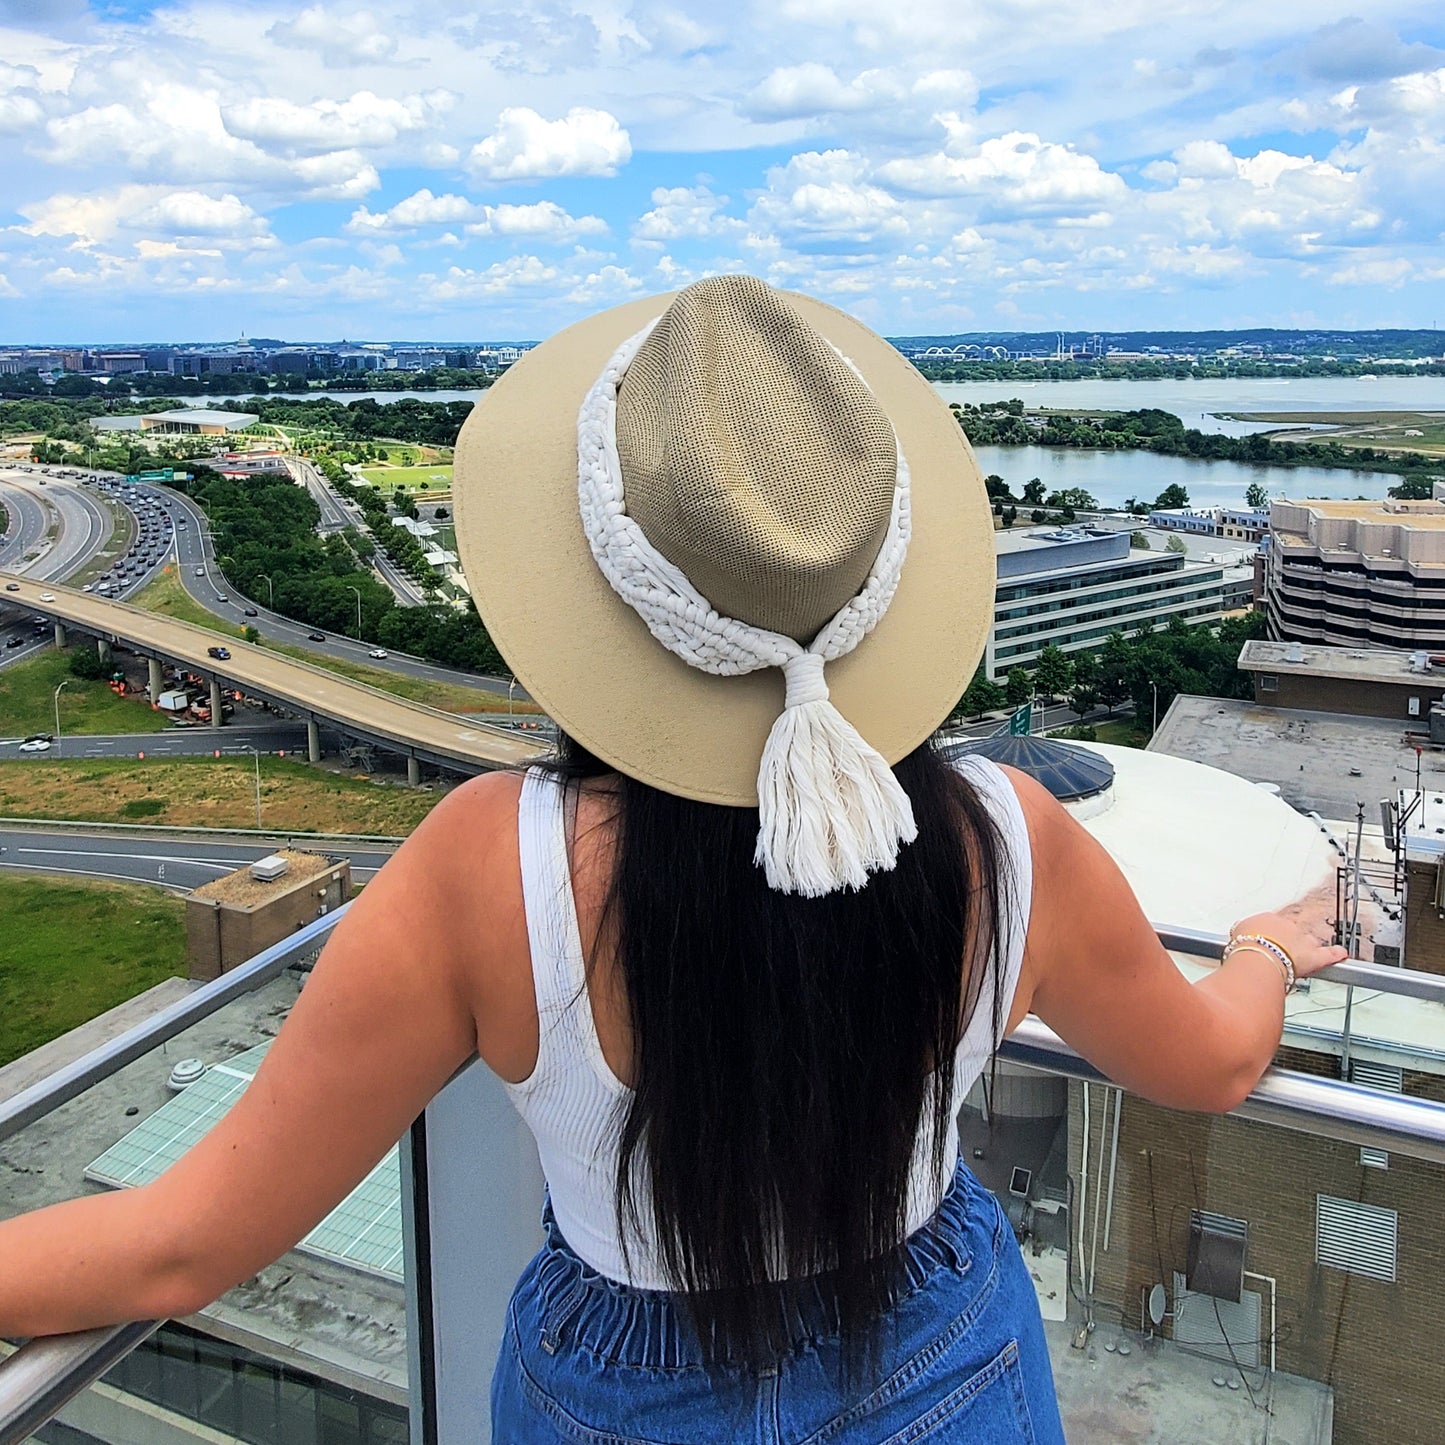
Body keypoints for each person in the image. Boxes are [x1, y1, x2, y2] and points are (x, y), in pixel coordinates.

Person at [0, 277, 1344, 1442]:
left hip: (616, 1392)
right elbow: (1210, 1062)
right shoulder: (1002, 836)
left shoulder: (492, 865)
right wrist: (1269, 950)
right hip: (947, 1359)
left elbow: (186, 1244)